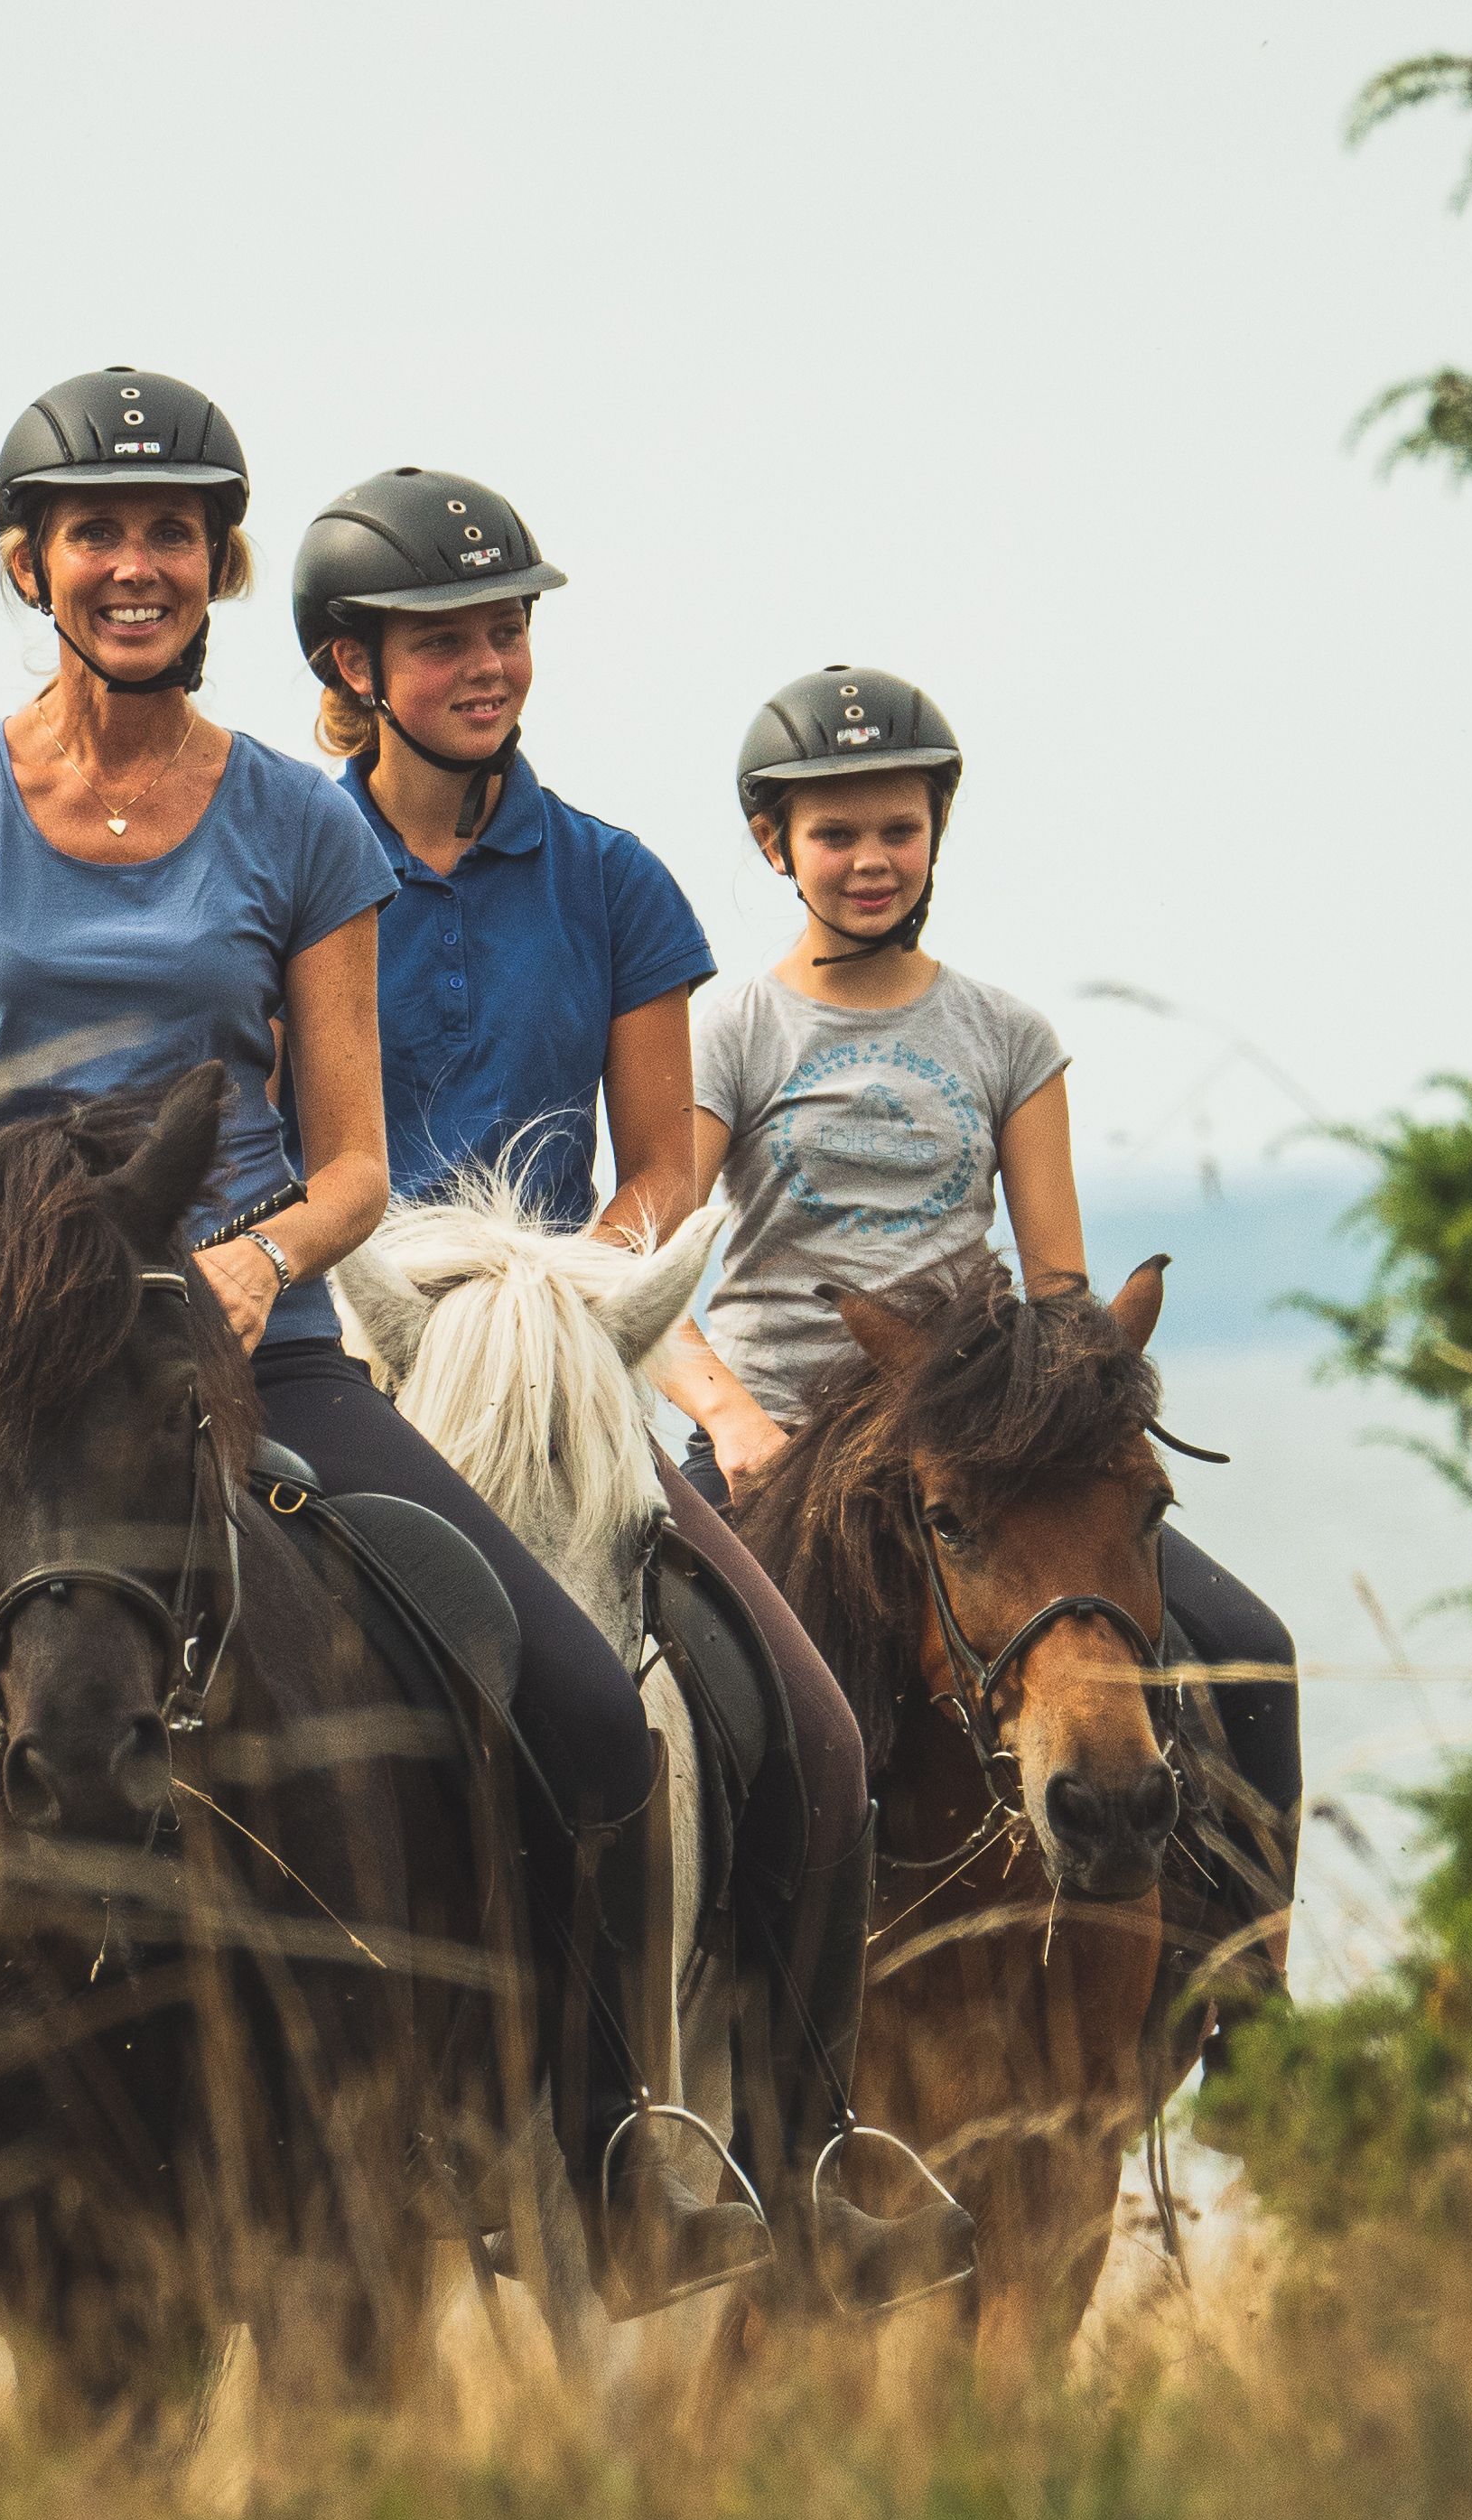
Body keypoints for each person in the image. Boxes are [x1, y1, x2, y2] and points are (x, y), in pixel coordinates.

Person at [0, 369, 765, 2312]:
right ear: (32, 560)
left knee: (591, 1720)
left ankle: (605, 2152)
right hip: (3, 1383)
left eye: (173, 529)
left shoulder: (290, 822)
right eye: (98, 530)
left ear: (217, 564)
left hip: (244, 1348)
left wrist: (251, 1267)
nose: (137, 562)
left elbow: (350, 1161)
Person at [291, 473, 972, 2308]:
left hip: (553, 1361)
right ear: (356, 662)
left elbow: (667, 1160)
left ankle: (801, 2145)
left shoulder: (609, 877)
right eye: (448, 636)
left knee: (810, 1726)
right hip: (343, 1351)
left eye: (509, 626)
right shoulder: (281, 855)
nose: (491, 661)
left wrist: (557, 1291)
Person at [647, 665, 1302, 2062]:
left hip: (978, 1448)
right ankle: (682, 2031)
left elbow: (1056, 1279)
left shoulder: (1005, 1035)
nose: (870, 860)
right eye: (836, 834)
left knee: (1248, 1649)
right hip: (784, 1448)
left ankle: (1246, 2006)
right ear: (777, 846)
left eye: (898, 828)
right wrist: (734, 1422)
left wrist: (1072, 1398)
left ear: (937, 830)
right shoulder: (734, 1032)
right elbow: (642, 1272)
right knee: (688, 1707)